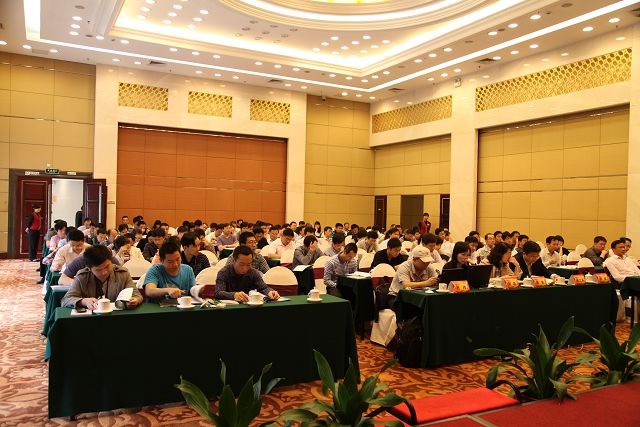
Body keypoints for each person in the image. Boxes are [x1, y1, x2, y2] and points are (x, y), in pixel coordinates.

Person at [61, 245, 142, 309]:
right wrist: (84, 301)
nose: (104, 272)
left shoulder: (122, 274)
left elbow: (137, 295)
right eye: (98, 270)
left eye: (107, 266)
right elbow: (66, 300)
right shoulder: (82, 277)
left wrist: (135, 300)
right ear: (89, 269)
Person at [215, 245, 280, 302]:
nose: (245, 268)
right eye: (241, 264)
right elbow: (218, 293)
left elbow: (263, 288)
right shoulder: (224, 272)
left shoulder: (253, 272)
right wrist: (234, 295)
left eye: (248, 264)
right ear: (234, 261)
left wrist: (270, 292)